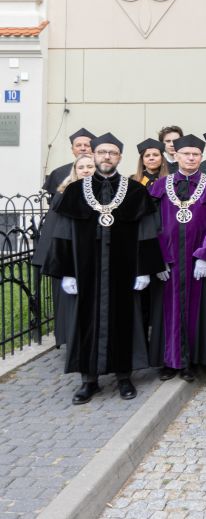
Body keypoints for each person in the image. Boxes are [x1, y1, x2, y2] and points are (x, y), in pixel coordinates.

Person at [39, 133, 163, 404]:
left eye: (113, 153)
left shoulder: (134, 191)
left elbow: (146, 231)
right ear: (93, 155)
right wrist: (67, 271)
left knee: (125, 319)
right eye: (102, 152)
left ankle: (123, 376)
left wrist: (143, 269)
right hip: (87, 270)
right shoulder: (74, 191)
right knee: (85, 320)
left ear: (119, 157)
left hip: (124, 269)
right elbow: (63, 233)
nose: (107, 156)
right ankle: (89, 380)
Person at [148, 134, 206, 382]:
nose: (191, 158)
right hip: (169, 261)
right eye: (186, 154)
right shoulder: (160, 187)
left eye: (195, 154)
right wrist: (157, 258)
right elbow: (153, 224)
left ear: (201, 156)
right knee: (167, 310)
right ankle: (169, 361)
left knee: (198, 310)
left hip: (197, 262)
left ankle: (191, 362)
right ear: (175, 156)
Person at [33, 153, 97, 349]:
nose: (86, 170)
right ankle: (74, 342)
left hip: (96, 254)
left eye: (90, 166)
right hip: (72, 253)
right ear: (75, 171)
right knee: (72, 302)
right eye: (81, 167)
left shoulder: (105, 192)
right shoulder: (64, 193)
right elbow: (55, 229)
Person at [43, 128, 94, 196]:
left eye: (87, 145)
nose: (83, 148)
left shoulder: (103, 171)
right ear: (72, 150)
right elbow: (54, 203)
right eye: (78, 145)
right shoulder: (58, 173)